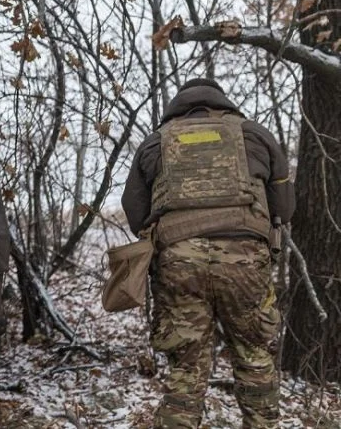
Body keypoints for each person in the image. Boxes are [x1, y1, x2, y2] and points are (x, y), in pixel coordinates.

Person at [122, 77, 294, 429]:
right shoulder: (256, 135)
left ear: (178, 105)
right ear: (222, 100)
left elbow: (134, 210)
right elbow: (286, 207)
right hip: (245, 260)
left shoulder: (156, 142)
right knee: (254, 356)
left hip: (179, 260)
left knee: (186, 366)